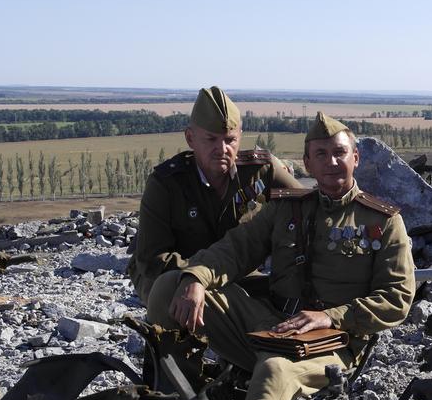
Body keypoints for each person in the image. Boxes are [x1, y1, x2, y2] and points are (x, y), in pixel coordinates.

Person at [145, 111, 416, 400]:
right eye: (320, 154)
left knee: (275, 368)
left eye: (339, 153)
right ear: (307, 163)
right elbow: (235, 250)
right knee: (170, 285)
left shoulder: (382, 222)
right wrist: (196, 278)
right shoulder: (287, 208)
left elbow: (397, 298)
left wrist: (329, 317)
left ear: (356, 157)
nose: (331, 162)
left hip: (330, 342)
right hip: (271, 321)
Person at [127, 86, 302, 305]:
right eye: (211, 139)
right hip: (170, 273)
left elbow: (308, 205)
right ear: (190, 138)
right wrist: (201, 274)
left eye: (230, 140)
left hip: (232, 272)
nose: (222, 149)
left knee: (279, 297)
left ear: (240, 137)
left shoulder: (261, 171)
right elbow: (152, 260)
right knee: (171, 297)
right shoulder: (166, 183)